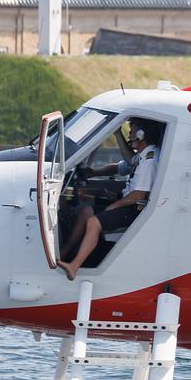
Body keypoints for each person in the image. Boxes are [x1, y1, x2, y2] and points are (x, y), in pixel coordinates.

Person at [60, 120, 162, 280]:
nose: (130, 133)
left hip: (135, 208)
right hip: (127, 202)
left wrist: (113, 205)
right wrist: (92, 174)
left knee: (94, 222)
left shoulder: (149, 160)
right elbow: (121, 165)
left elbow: (138, 195)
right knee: (86, 211)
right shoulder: (141, 156)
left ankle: (74, 266)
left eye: (132, 130)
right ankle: (64, 254)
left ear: (142, 134)